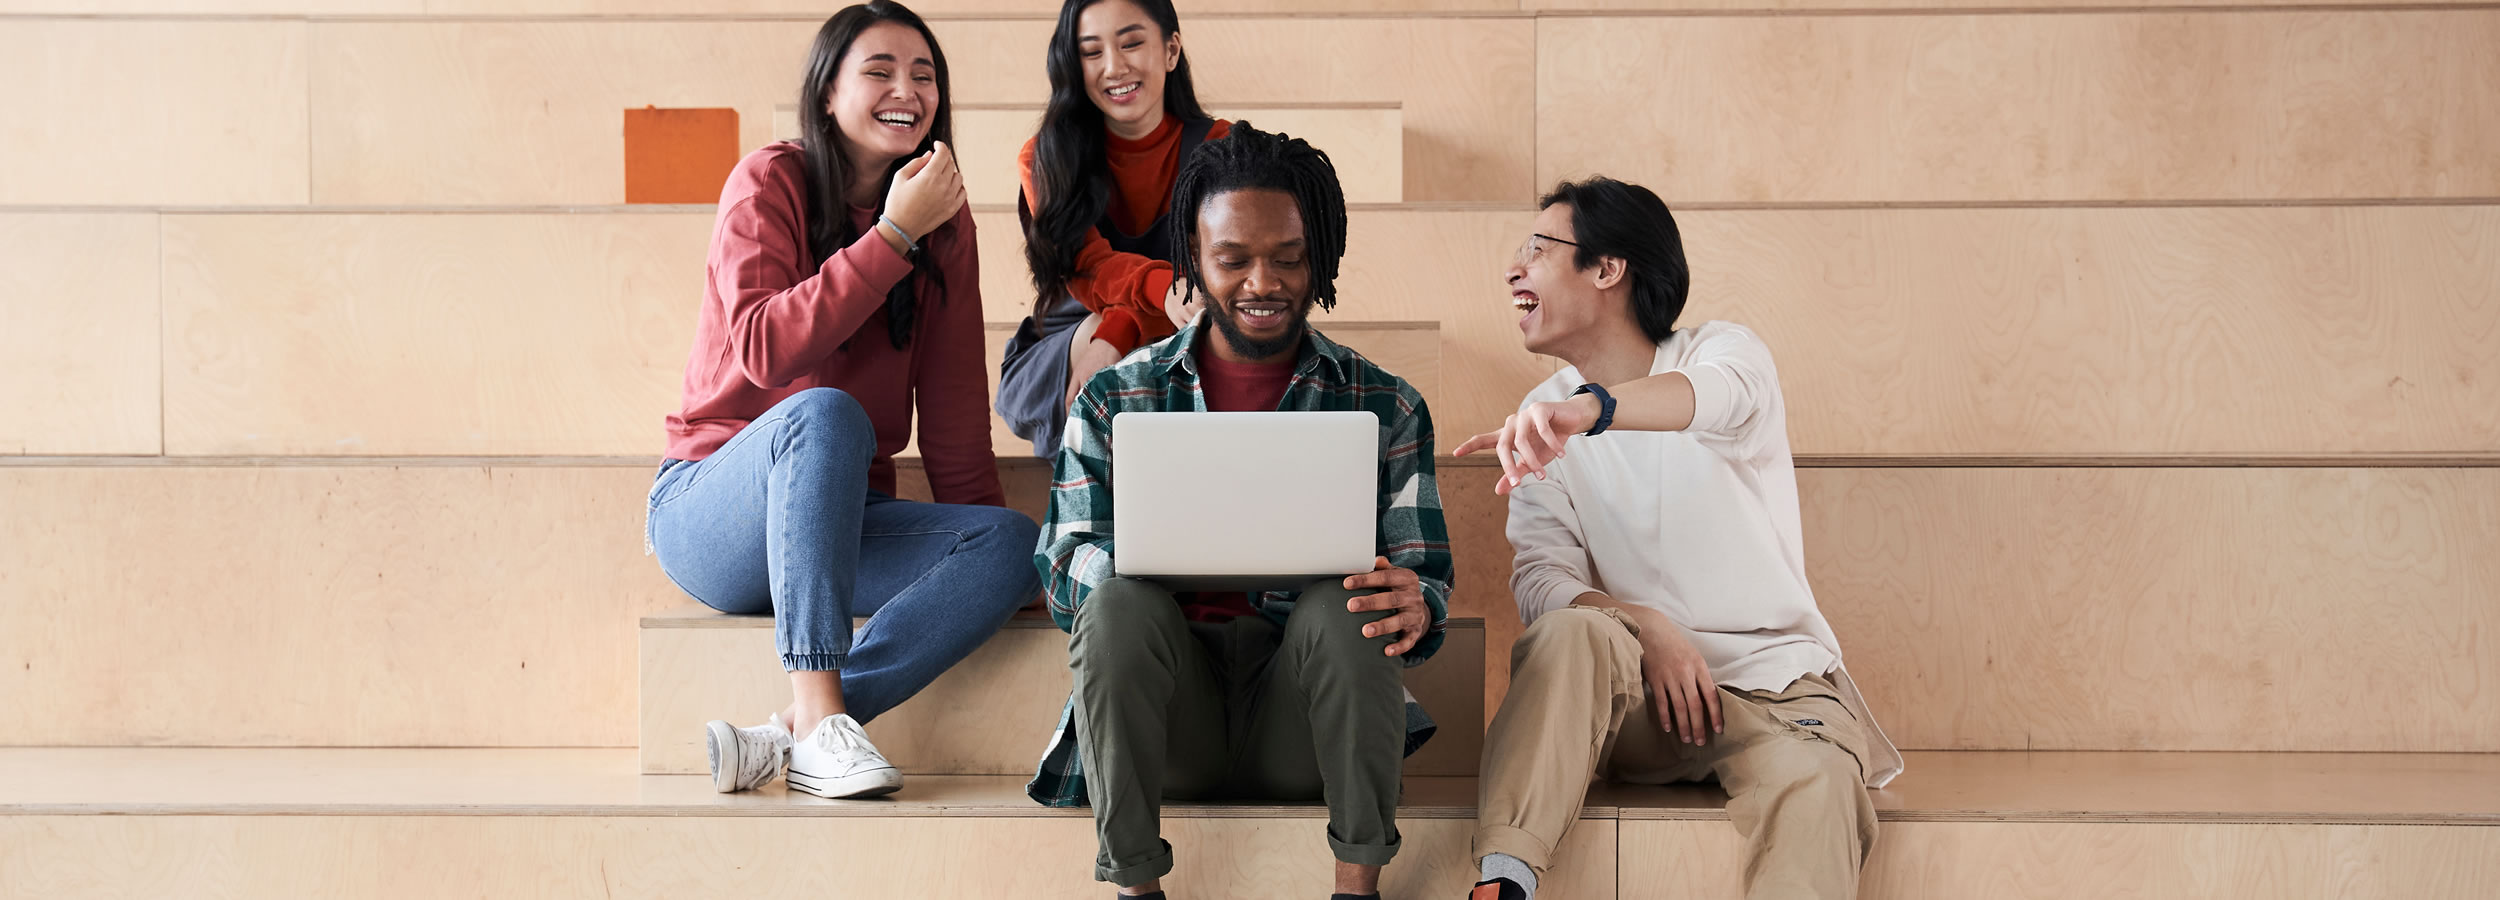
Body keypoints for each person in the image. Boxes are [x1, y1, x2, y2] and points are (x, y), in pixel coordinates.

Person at [1026, 125, 1453, 900]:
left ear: (1318, 256)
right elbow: (1062, 575)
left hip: (1304, 726)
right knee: (1116, 603)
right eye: (1233, 260)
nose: (1263, 281)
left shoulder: (1386, 405)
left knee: (1348, 601)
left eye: (1289, 258)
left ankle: (1358, 888)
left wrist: (1413, 603)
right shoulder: (1116, 396)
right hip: (1168, 718)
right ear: (1193, 260)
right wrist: (1150, 567)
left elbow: (1425, 577)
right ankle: (1135, 889)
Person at [1453, 177, 1904, 900]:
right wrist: (1647, 626)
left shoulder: (1722, 353)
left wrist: (1593, 411)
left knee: (1819, 782)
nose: (1513, 269)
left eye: (1537, 251)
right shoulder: (1538, 414)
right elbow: (1542, 581)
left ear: (1607, 268)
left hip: (1777, 691)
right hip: (1639, 699)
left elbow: (1717, 399)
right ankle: (1501, 884)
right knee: (1571, 634)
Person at [646, 0, 1040, 801]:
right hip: (715, 515)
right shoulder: (768, 182)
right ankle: (821, 716)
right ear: (828, 92)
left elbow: (958, 424)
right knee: (825, 412)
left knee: (1015, 544)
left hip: (840, 528)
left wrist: (999, 581)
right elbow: (762, 351)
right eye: (881, 71)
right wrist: (892, 236)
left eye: (925, 75)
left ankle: (790, 734)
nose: (908, 89)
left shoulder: (945, 226)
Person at [998, 0, 1234, 457]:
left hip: (1187, 322)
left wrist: (1117, 332)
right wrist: (1114, 329)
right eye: (1091, 52)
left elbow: (1220, 276)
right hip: (1071, 336)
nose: (1114, 66)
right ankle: (1097, 518)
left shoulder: (1221, 148)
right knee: (1112, 342)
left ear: (1170, 50)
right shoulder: (1045, 158)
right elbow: (1089, 267)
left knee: (1193, 334)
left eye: (1131, 43)